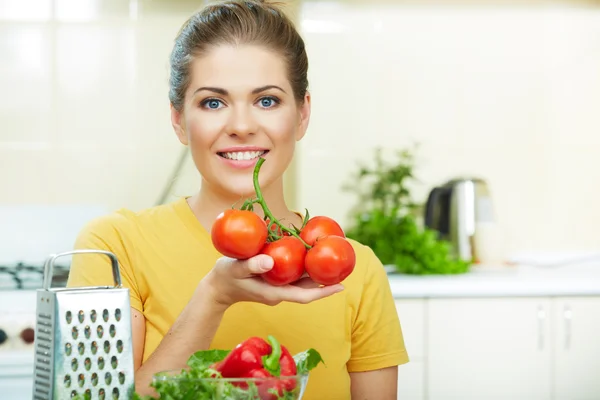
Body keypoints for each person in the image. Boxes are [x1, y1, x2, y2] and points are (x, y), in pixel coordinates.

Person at [66, 0, 409, 398]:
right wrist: (213, 297)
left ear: (302, 114)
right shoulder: (113, 246)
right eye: (213, 102)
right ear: (179, 120)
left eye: (267, 101)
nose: (242, 127)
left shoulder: (354, 270)